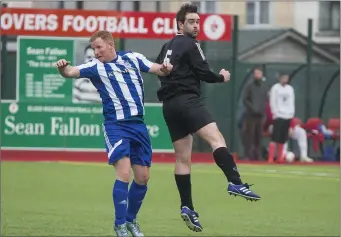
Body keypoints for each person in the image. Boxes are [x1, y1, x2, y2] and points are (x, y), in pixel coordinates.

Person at [155, 3, 260, 233]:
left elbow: (158, 70)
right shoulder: (191, 43)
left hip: (169, 106)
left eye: (198, 21)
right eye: (191, 21)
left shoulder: (165, 46)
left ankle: (187, 206)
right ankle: (235, 181)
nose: (196, 26)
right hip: (188, 100)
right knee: (216, 139)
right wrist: (221, 77)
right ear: (180, 24)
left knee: (183, 158)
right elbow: (203, 72)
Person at [56, 30, 173, 237]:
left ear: (111, 44)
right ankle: (120, 226)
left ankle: (130, 221)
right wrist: (63, 69)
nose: (96, 52)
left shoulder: (132, 58)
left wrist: (164, 68)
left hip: (138, 125)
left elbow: (157, 69)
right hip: (115, 125)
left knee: (143, 177)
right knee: (124, 173)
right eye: (94, 49)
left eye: (99, 47)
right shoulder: (95, 67)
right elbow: (71, 72)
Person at [242, 68, 268, 160]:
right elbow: (245, 99)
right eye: (256, 73)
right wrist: (252, 108)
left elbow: (265, 100)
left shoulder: (264, 86)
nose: (257, 75)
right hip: (250, 115)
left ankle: (257, 155)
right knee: (249, 135)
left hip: (260, 116)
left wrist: (261, 110)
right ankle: (247, 155)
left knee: (258, 135)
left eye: (259, 73)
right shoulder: (249, 85)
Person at [267, 73, 295, 163]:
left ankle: (280, 158)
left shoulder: (290, 89)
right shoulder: (275, 88)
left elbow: (292, 102)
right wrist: (275, 113)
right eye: (283, 78)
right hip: (278, 116)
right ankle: (271, 158)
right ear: (280, 79)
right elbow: (272, 101)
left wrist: (291, 114)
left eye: (286, 78)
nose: (284, 80)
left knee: (283, 138)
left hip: (288, 116)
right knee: (275, 137)